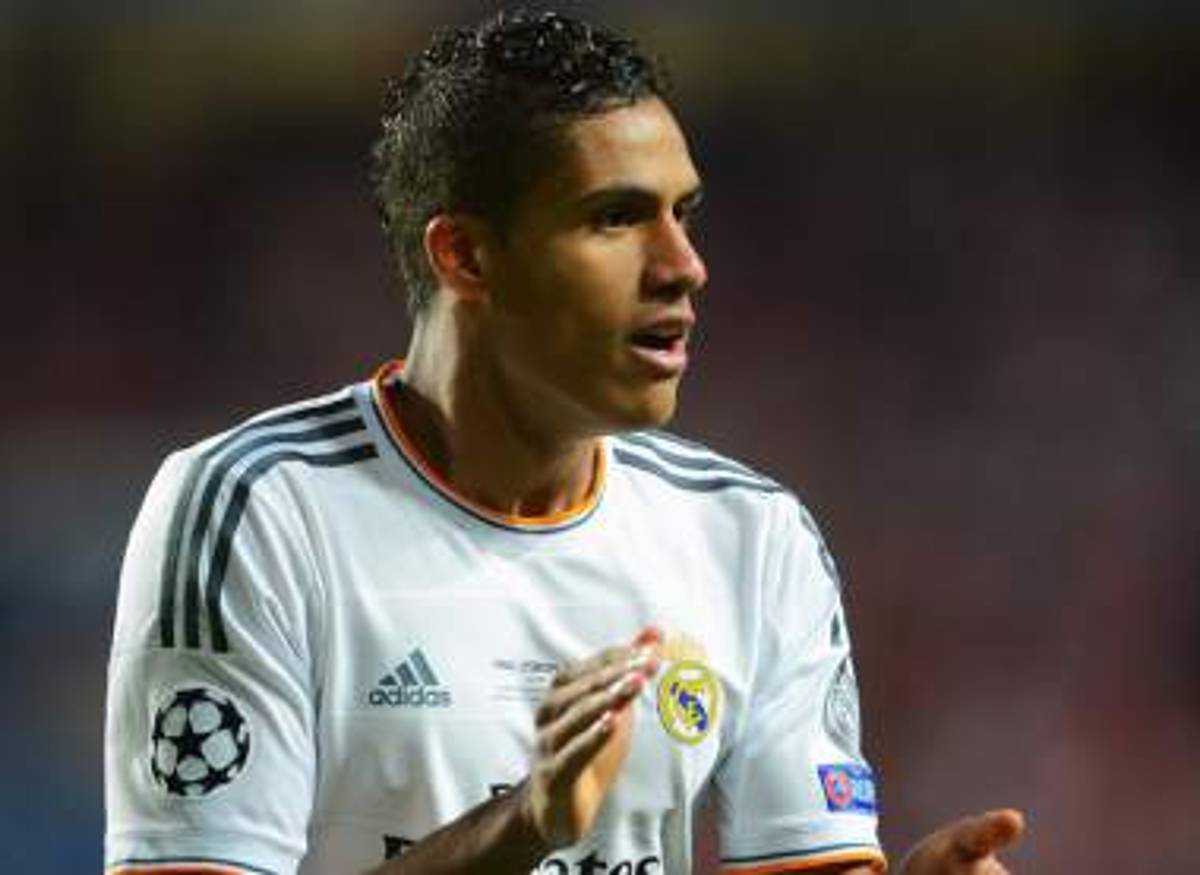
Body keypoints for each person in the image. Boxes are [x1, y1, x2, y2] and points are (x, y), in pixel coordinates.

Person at [104, 8, 1024, 875]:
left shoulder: (751, 536)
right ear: (465, 255)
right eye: (616, 218)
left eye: (684, 214)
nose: (683, 265)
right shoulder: (254, 514)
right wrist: (524, 827)